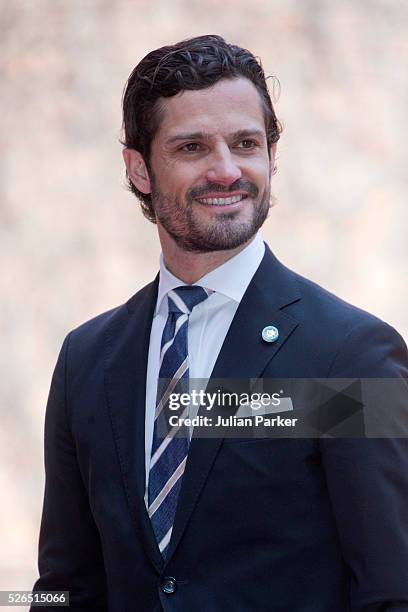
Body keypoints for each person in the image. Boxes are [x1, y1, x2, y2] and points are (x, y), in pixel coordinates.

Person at [32, 35, 408, 611]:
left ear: (272, 156)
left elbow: (391, 590)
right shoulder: (87, 358)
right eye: (192, 147)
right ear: (139, 169)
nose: (227, 170)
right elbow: (65, 587)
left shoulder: (352, 356)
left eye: (246, 143)